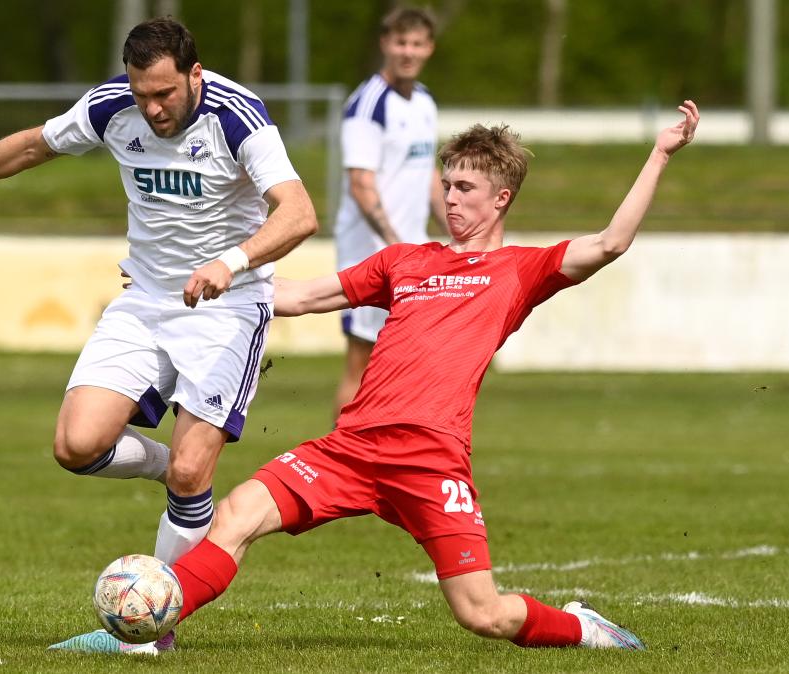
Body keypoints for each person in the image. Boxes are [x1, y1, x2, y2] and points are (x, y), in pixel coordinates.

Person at [151, 101, 701, 652]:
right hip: (350, 448)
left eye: (464, 187)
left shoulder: (521, 270)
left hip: (430, 458)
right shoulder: (405, 260)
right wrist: (193, 278)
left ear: (501, 197)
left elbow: (610, 243)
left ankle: (583, 627)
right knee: (236, 516)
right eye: (447, 185)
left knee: (482, 614)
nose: (450, 197)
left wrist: (658, 154)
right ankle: (149, 627)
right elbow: (299, 295)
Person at [0, 17, 317, 653]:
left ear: (193, 76)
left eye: (164, 95)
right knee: (76, 445)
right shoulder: (112, 108)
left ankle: (154, 634)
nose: (151, 109)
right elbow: (33, 146)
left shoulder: (239, 118)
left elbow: (299, 212)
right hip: (146, 300)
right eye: (141, 93)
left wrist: (229, 263)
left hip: (230, 307)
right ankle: (176, 473)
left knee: (190, 469)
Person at [332, 6, 447, 419]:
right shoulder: (368, 105)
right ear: (385, 44)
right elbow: (361, 185)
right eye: (400, 42)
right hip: (370, 255)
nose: (408, 51)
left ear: (429, 48)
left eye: (416, 43)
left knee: (407, 366)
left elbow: (428, 172)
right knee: (362, 363)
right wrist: (398, 247)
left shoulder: (425, 102)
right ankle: (338, 469)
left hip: (411, 255)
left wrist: (456, 230)